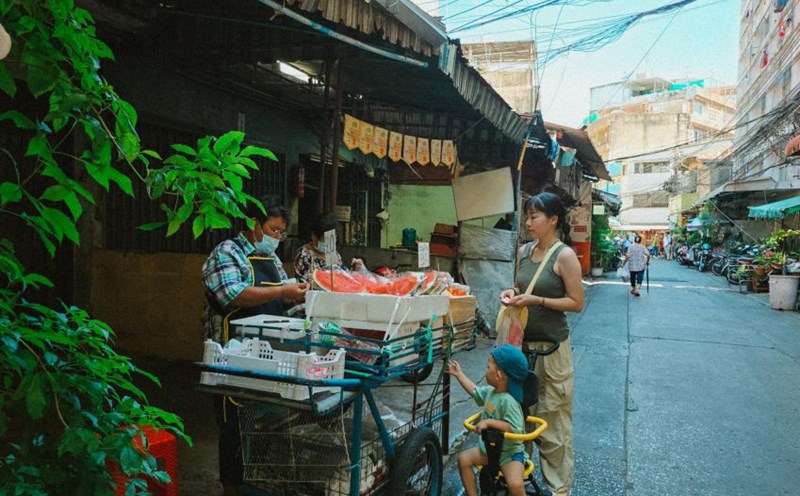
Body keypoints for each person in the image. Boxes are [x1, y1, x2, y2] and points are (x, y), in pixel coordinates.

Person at [202, 196, 310, 496]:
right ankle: (232, 490)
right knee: (233, 428)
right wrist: (281, 289)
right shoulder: (227, 252)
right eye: (273, 230)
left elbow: (278, 300)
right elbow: (231, 295)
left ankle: (261, 483)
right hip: (232, 357)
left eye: (281, 233)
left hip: (270, 356)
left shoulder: (273, 260)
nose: (277, 238)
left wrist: (297, 297)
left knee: (266, 425)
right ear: (254, 225)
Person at [498, 192, 585, 496]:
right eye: (527, 215)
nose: (528, 222)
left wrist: (538, 300)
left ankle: (559, 491)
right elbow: (520, 286)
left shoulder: (564, 256)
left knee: (553, 426)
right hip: (520, 350)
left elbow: (576, 303)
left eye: (535, 216)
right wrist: (512, 293)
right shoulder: (524, 251)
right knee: (519, 419)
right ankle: (519, 482)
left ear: (553, 220)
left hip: (551, 352)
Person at [447, 344, 530, 496]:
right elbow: (474, 390)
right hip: (488, 450)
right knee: (463, 460)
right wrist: (459, 375)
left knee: (516, 485)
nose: (485, 370)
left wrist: (489, 422)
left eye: (487, 366)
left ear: (499, 375)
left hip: (509, 453)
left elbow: (515, 428)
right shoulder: (491, 393)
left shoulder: (509, 401)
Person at [293, 213, 365, 284]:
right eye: (324, 239)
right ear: (314, 236)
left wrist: (354, 269)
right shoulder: (304, 254)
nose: (329, 244)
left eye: (332, 239)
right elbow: (306, 282)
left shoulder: (334, 255)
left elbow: (343, 276)